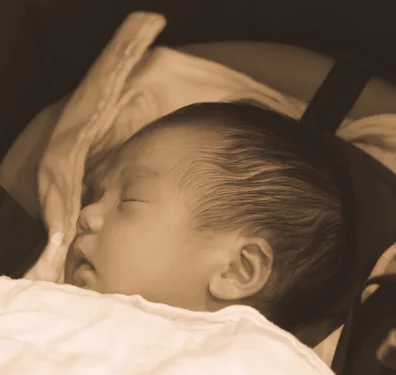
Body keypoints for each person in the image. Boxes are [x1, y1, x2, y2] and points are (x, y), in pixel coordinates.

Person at [65, 101, 350, 332]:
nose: (86, 215)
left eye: (129, 199)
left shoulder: (255, 374)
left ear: (236, 270)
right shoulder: (40, 305)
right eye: (95, 197)